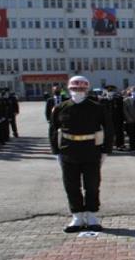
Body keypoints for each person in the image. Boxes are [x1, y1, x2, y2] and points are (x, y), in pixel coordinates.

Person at [49, 76, 114, 233]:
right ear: (69, 89)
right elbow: (53, 130)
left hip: (91, 150)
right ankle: (77, 216)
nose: (78, 92)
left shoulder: (97, 107)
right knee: (71, 186)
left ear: (87, 90)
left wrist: (106, 150)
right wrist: (55, 151)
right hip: (68, 151)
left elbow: (109, 129)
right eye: (74, 89)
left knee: (92, 185)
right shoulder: (60, 107)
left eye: (81, 89)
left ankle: (92, 216)